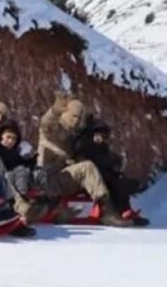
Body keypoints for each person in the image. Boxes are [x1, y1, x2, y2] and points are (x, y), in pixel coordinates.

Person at [38, 93, 133, 227]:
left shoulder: (73, 135)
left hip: (64, 177)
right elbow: (46, 123)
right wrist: (54, 111)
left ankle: (117, 210)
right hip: (49, 178)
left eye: (78, 117)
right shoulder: (54, 129)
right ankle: (106, 213)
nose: (75, 120)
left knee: (103, 172)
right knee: (87, 167)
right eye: (73, 116)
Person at [73, 115, 150, 226]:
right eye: (99, 135)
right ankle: (110, 213)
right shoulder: (84, 145)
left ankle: (125, 211)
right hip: (93, 179)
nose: (101, 138)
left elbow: (107, 160)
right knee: (115, 184)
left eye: (104, 136)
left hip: (104, 175)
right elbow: (87, 162)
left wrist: (115, 162)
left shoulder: (102, 147)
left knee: (120, 181)